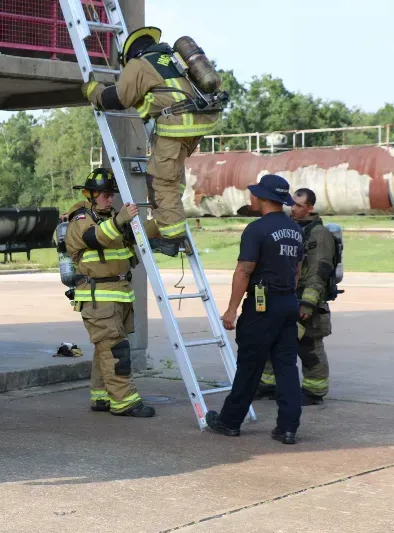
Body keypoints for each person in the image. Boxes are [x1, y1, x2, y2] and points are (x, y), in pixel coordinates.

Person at [80, 26, 220, 257]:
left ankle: (172, 238)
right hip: (197, 123)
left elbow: (117, 98)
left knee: (160, 182)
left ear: (131, 54)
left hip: (176, 125)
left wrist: (93, 90)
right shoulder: (171, 60)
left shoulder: (139, 64)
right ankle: (172, 221)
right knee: (171, 175)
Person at [205, 174, 304, 445]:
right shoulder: (296, 230)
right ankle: (288, 427)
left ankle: (229, 422)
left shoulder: (256, 229)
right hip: (288, 302)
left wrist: (231, 309)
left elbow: (244, 270)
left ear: (262, 198)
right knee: (286, 365)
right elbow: (297, 270)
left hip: (262, 307)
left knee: (250, 364)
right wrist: (287, 296)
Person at [64, 168, 156, 418]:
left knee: (104, 348)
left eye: (111, 194)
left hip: (118, 294)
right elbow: (94, 238)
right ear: (90, 195)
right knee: (116, 349)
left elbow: (132, 238)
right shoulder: (81, 219)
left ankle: (101, 397)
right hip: (98, 298)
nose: (109, 198)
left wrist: (160, 224)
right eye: (105, 194)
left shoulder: (112, 218)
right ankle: (125, 402)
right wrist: (120, 220)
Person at [256, 188, 334, 405]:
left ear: (310, 207)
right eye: (292, 204)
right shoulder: (291, 228)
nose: (293, 209)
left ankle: (314, 391)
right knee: (272, 341)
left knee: (308, 347)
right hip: (286, 297)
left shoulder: (319, 234)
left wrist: (308, 303)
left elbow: (320, 270)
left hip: (307, 301)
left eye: (299, 205)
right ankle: (268, 385)